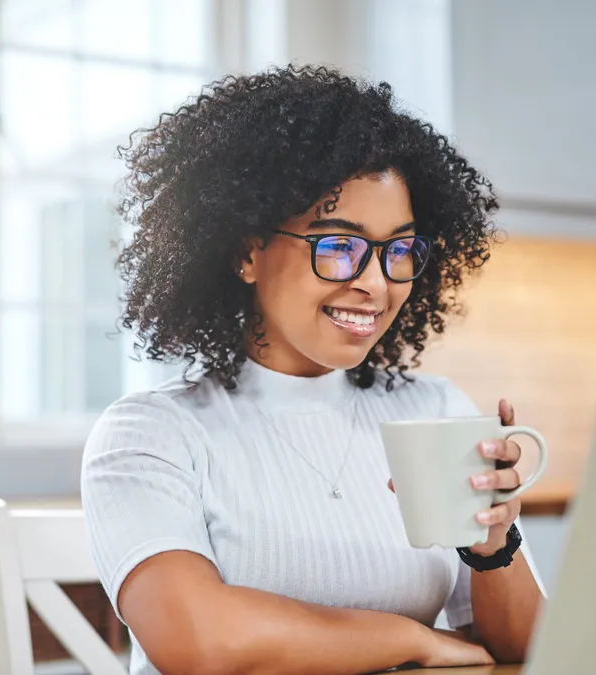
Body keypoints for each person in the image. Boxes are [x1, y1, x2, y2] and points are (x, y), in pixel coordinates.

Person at [81, 65, 545, 675]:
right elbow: (198, 642)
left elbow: (526, 651)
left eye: (399, 249)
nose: (376, 283)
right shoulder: (152, 433)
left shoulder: (436, 412)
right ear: (246, 251)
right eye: (337, 244)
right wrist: (411, 640)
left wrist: (492, 546)